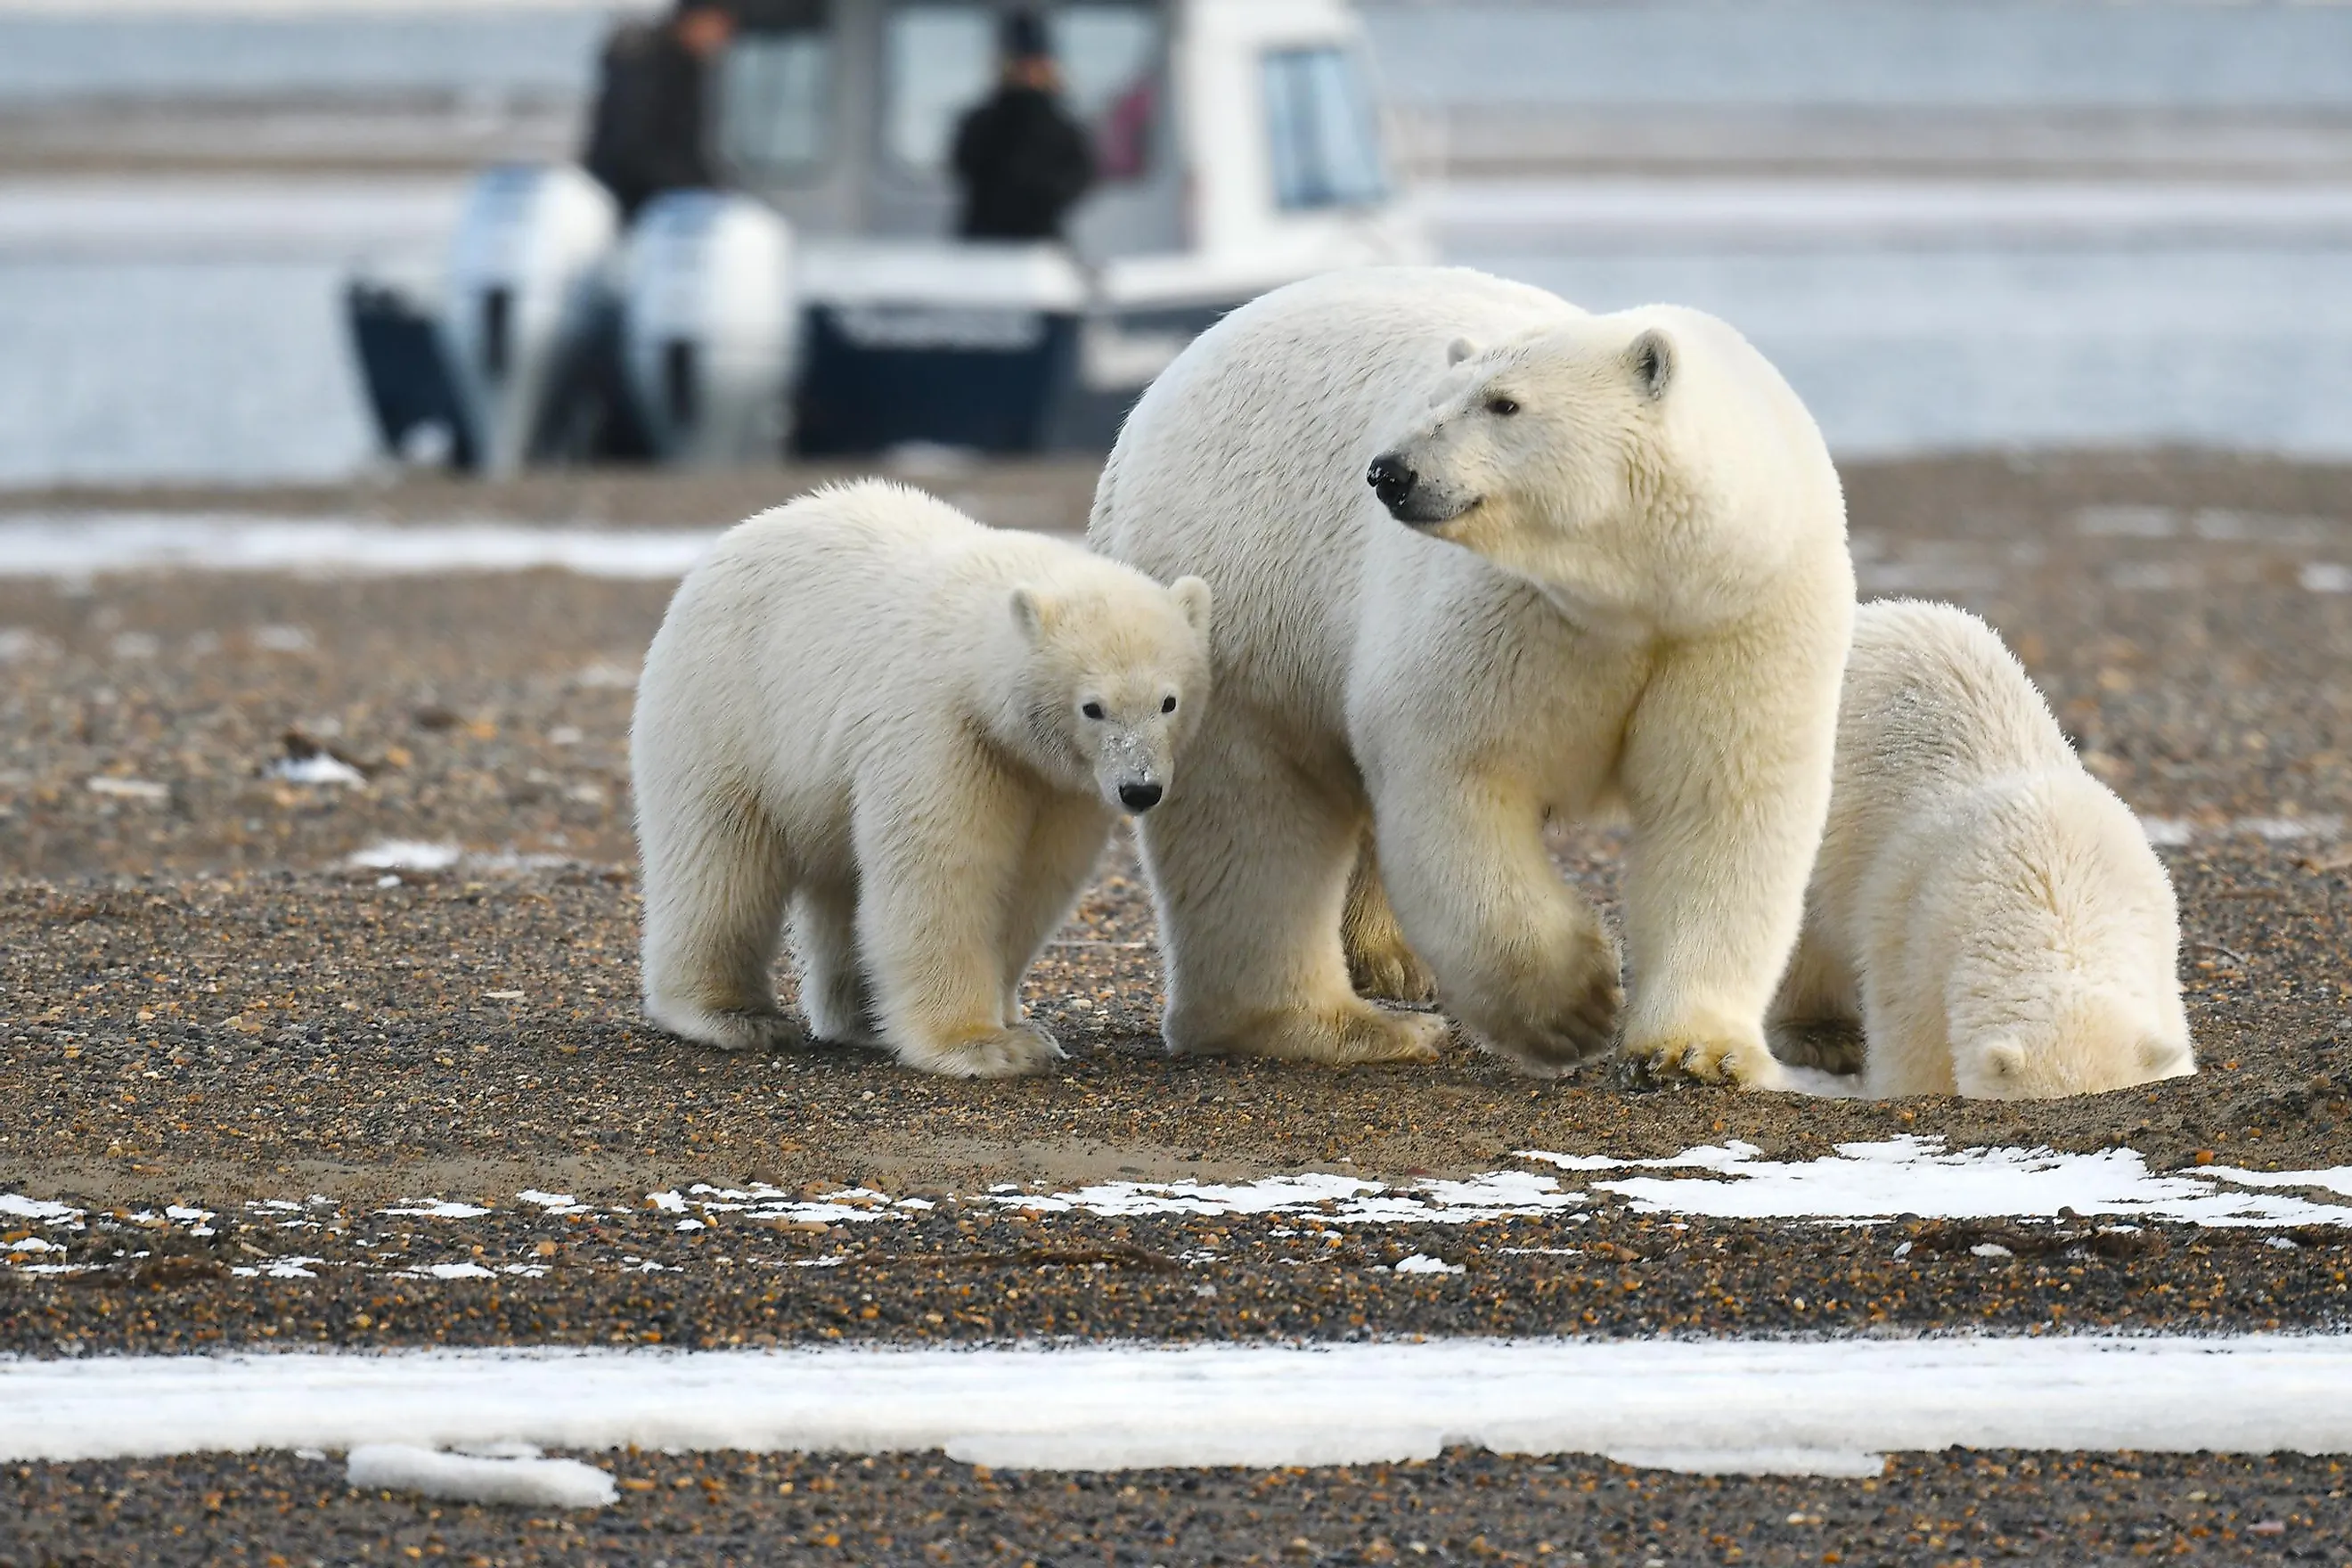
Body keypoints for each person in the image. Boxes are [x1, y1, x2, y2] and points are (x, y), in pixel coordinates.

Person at [951, 11, 1097, 241]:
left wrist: (1045, 195)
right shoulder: (979, 124)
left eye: (1034, 65)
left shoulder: (1065, 129)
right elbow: (966, 169)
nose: (1027, 72)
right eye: (1020, 64)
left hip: (1042, 242)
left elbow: (1080, 178)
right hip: (982, 241)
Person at [584, 0, 737, 220]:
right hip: (631, 201)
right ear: (696, 19)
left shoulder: (692, 67)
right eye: (720, 26)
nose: (723, 39)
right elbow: (634, 144)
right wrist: (699, 187)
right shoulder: (645, 64)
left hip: (666, 198)